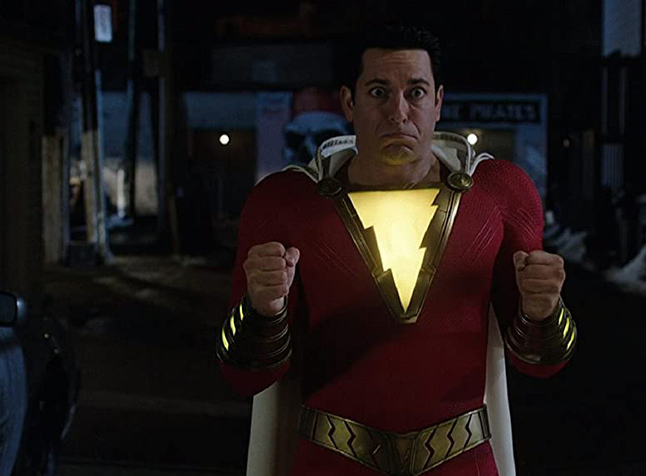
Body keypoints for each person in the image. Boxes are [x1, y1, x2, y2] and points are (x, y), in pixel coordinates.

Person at [216, 26, 576, 476]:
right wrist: (263, 312)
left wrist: (544, 311)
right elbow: (244, 374)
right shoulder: (286, 203)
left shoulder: (498, 193)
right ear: (349, 102)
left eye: (416, 92)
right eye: (379, 92)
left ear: (438, 102)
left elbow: (538, 362)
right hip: (332, 463)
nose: (398, 112)